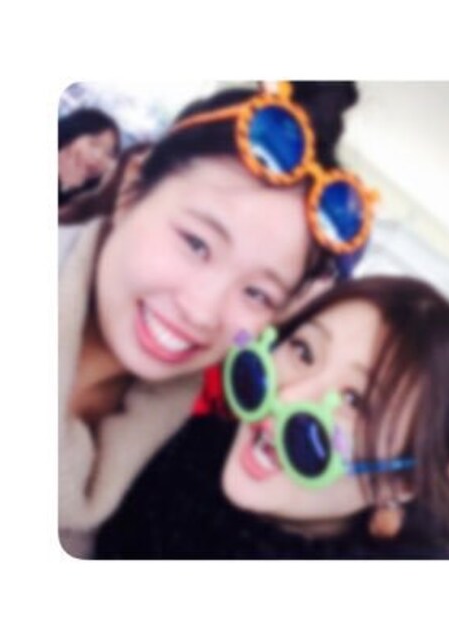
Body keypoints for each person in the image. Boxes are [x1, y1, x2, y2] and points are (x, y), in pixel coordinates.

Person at [59, 81, 375, 558]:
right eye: (196, 243)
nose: (202, 311)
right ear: (131, 190)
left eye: (257, 293)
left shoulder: (173, 471)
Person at [95, 276, 449, 559]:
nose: (286, 397)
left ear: (400, 481)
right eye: (303, 351)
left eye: (355, 400)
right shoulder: (161, 449)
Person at [58, 108, 121, 212]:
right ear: (70, 134)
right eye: (93, 144)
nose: (99, 157)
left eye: (109, 154)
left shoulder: (89, 202)